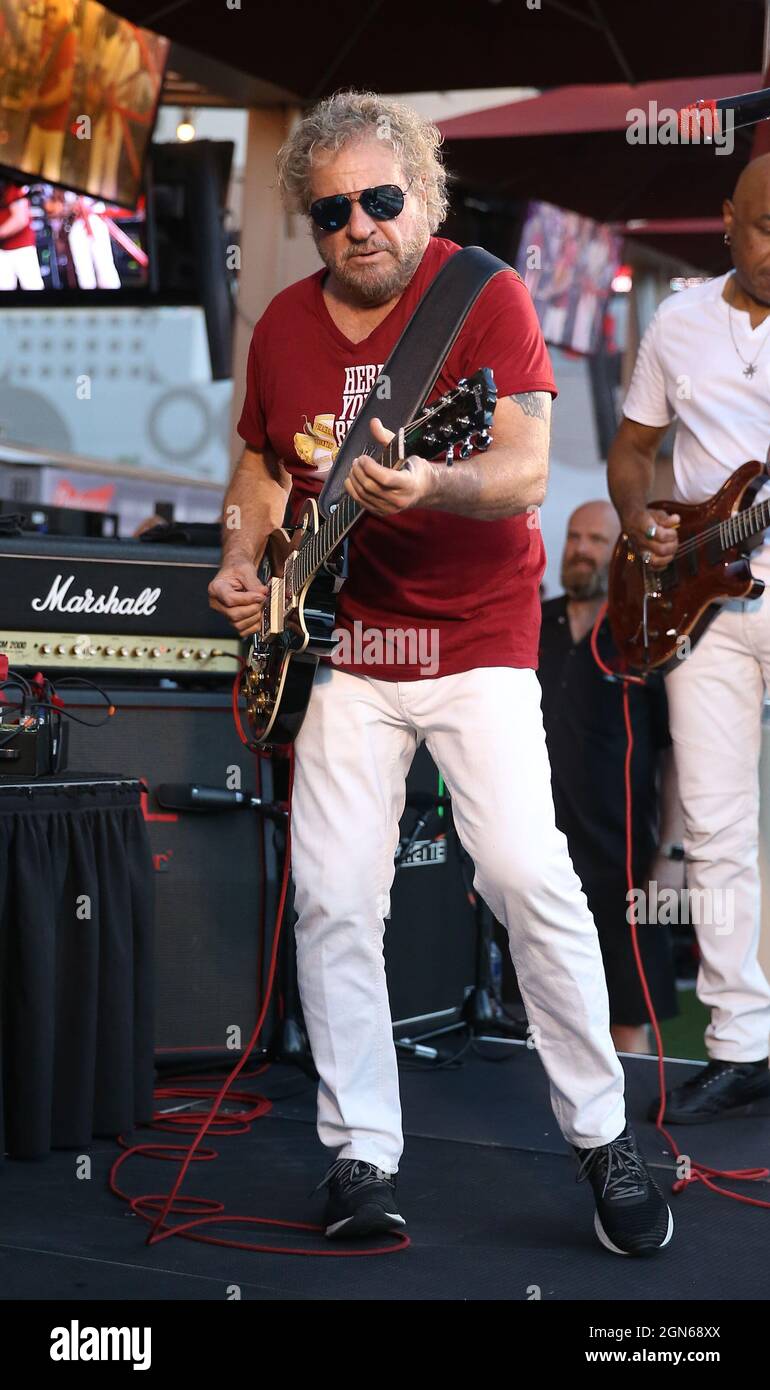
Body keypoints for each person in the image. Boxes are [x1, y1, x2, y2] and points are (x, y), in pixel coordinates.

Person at [209, 90, 673, 1256]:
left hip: (472, 638)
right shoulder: (279, 328)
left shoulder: (482, 296)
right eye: (329, 211)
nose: (356, 225)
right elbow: (263, 463)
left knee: (524, 872)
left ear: (423, 196)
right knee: (331, 896)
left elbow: (517, 468)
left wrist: (431, 485)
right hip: (343, 645)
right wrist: (244, 561)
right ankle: (361, 1150)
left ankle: (605, 1132)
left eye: (377, 200)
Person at [608, 154, 770, 1125]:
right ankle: (739, 1041)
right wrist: (638, 522)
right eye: (762, 229)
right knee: (711, 828)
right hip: (701, 605)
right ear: (723, 221)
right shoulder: (676, 323)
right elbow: (632, 453)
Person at [538, 500, 681, 1055]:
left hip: (626, 865)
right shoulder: (534, 626)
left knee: (626, 1020)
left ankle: (631, 1139)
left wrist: (671, 853)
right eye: (574, 537)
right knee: (543, 1016)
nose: (580, 549)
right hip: (543, 862)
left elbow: (673, 756)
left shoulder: (642, 634)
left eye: (596, 539)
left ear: (621, 553)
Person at [19, 0, 76, 184]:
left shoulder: (68, 38)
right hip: (39, 120)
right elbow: (43, 69)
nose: (49, 16)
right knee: (27, 168)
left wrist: (35, 102)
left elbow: (63, 90)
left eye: (54, 10)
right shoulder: (49, 33)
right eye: (47, 10)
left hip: (54, 124)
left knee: (50, 174)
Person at [0, 181, 44, 289]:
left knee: (33, 288)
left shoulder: (12, 188)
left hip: (21, 247)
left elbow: (20, 219)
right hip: (3, 250)